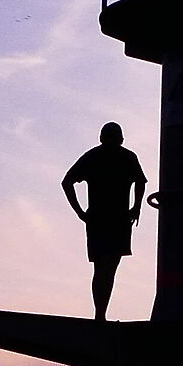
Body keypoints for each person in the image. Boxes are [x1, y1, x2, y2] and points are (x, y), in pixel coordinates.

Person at [62, 123, 147, 321]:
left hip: (102, 220)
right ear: (121, 138)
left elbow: (67, 182)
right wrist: (136, 207)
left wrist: (80, 212)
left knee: (102, 269)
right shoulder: (126, 157)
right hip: (115, 220)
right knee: (107, 269)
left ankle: (100, 314)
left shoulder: (94, 156)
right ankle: (100, 314)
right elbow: (141, 182)